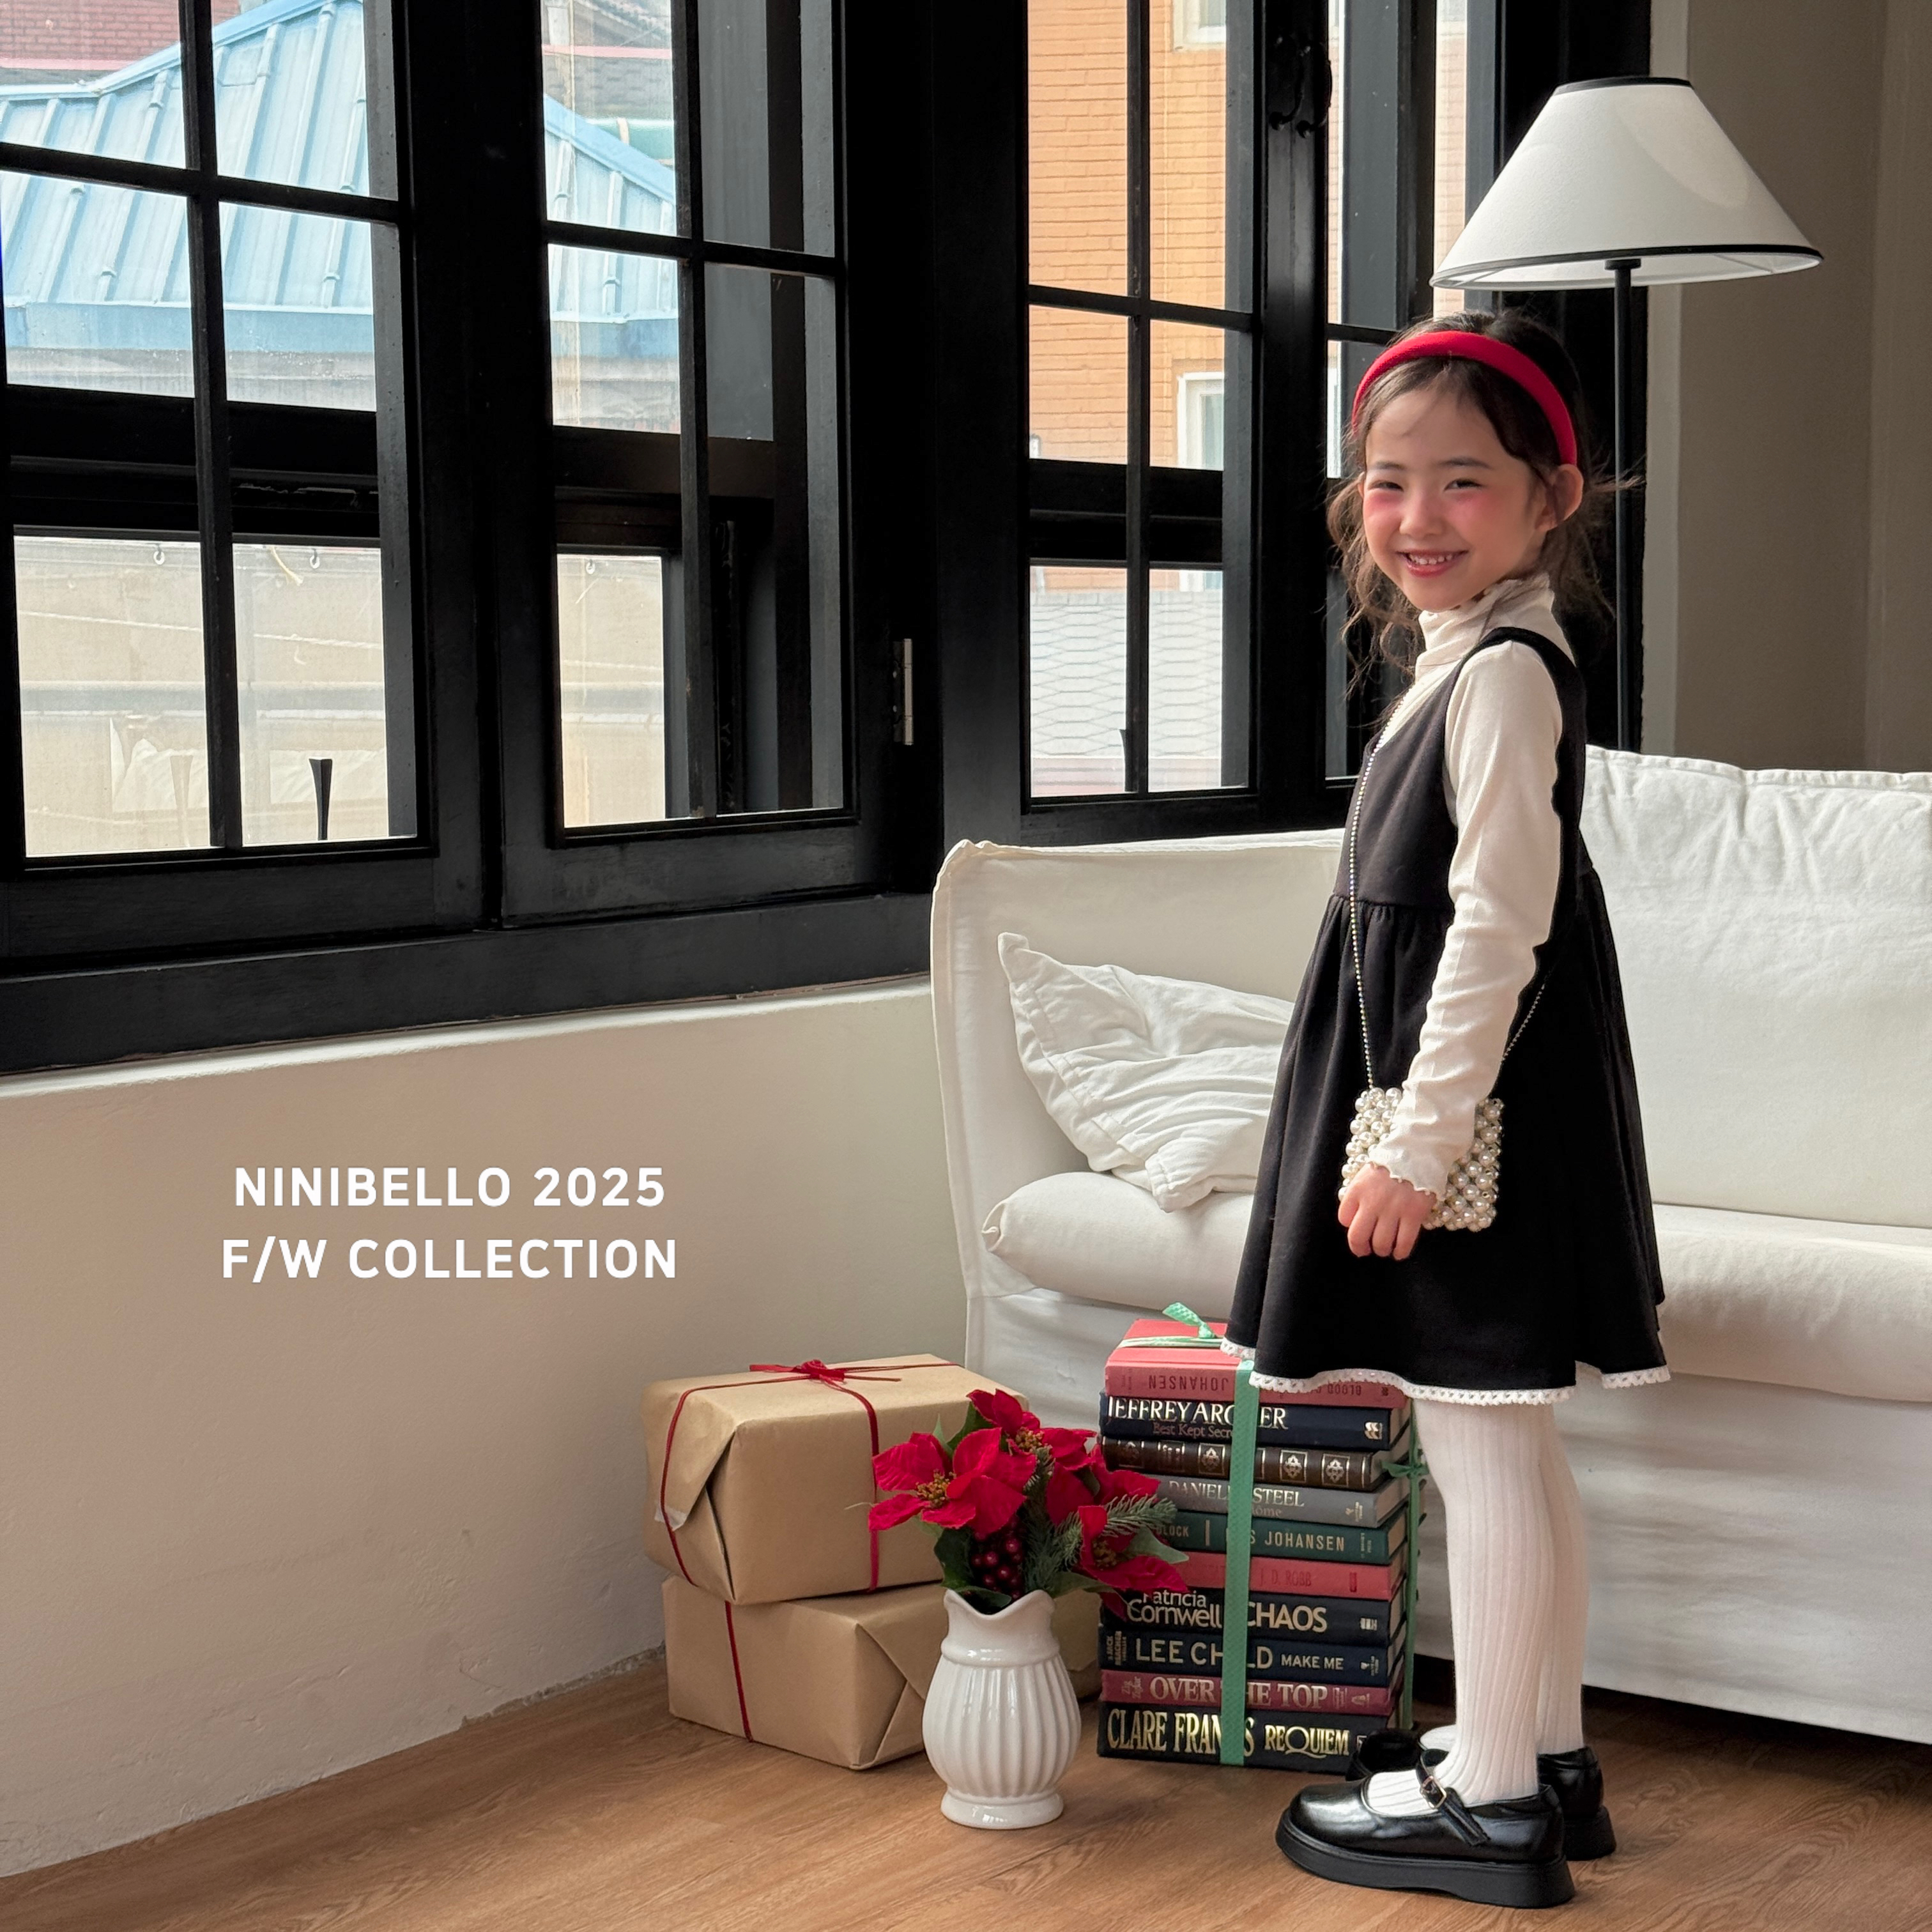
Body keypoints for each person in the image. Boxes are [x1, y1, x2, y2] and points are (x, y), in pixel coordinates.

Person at [1222, 310, 1669, 1911]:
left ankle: (1489, 1800)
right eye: (1389, 481)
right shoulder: (1467, 662)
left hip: (1471, 1112)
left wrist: (1417, 1137)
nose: (1416, 517)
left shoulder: (1503, 679)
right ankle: (1537, 1751)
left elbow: (1497, 926)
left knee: (1478, 1436)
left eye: (1464, 481)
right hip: (1473, 1097)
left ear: (1554, 498)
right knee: (1505, 1434)